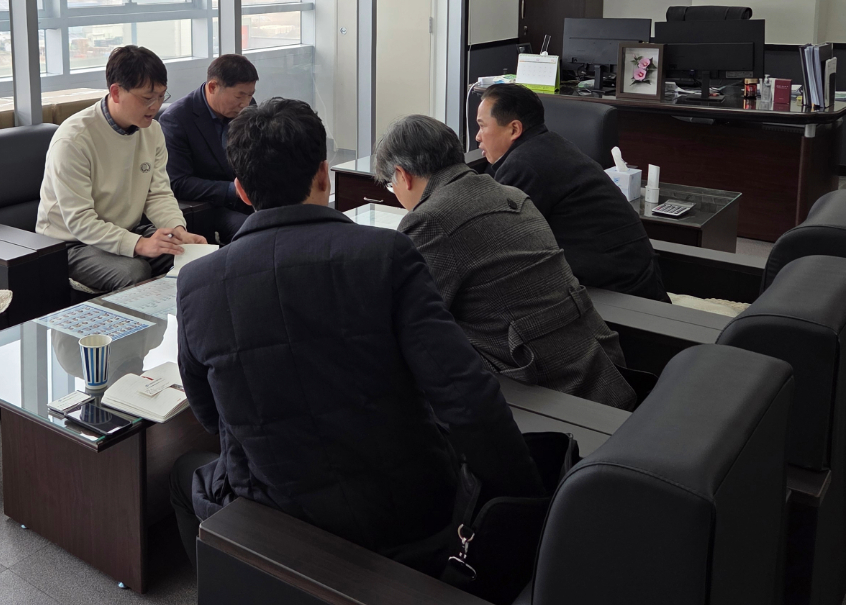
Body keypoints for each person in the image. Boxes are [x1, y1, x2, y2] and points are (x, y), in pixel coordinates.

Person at [171, 98, 545, 581]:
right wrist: (527, 498)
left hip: (277, 508)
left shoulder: (197, 283)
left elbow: (210, 414)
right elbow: (464, 394)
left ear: (241, 190)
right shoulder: (387, 254)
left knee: (186, 475)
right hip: (409, 512)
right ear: (323, 175)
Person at [373, 115, 635, 410]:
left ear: (403, 175)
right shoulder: (513, 195)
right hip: (600, 368)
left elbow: (402, 321)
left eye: (390, 185)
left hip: (544, 390)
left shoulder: (430, 220)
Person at [475, 83, 670, 302]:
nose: (477, 137)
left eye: (482, 126)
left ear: (514, 129)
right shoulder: (550, 145)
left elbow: (496, 244)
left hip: (618, 296)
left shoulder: (524, 165)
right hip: (634, 278)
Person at [36, 45, 206, 293]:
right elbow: (80, 221)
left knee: (194, 256)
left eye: (161, 96)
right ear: (116, 92)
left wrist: (179, 231)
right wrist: (139, 244)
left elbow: (158, 194)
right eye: (147, 98)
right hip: (72, 243)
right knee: (134, 272)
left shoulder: (152, 131)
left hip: (126, 230)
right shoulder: (74, 140)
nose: (155, 106)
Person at [161, 54, 258, 243]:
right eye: (239, 96)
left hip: (251, 198)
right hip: (210, 206)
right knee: (251, 232)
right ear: (212, 87)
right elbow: (178, 183)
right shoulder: (177, 119)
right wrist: (233, 189)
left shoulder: (246, 107)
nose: (246, 103)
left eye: (250, 95)